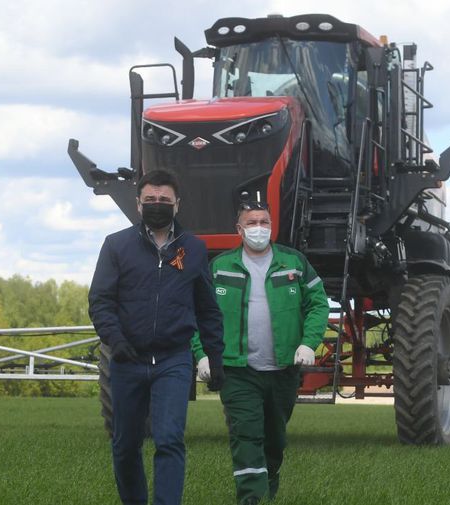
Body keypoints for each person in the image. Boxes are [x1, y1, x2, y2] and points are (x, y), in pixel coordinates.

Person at [89, 169, 225, 505]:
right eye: (150, 199)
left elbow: (207, 309)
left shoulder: (194, 249)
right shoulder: (116, 246)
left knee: (169, 440)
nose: (157, 205)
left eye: (164, 200)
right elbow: (100, 300)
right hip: (127, 359)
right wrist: (115, 340)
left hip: (173, 360)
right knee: (125, 444)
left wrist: (215, 357)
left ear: (177, 205)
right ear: (138, 204)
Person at [192, 199, 329, 505]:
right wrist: (202, 354)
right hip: (237, 371)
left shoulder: (294, 262)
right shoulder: (220, 267)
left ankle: (268, 486)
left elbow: (319, 304)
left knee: (275, 440)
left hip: (283, 371)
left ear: (272, 226)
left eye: (264, 222)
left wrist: (308, 342)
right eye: (252, 223)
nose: (259, 228)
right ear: (239, 229)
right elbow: (199, 313)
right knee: (246, 435)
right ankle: (251, 498)